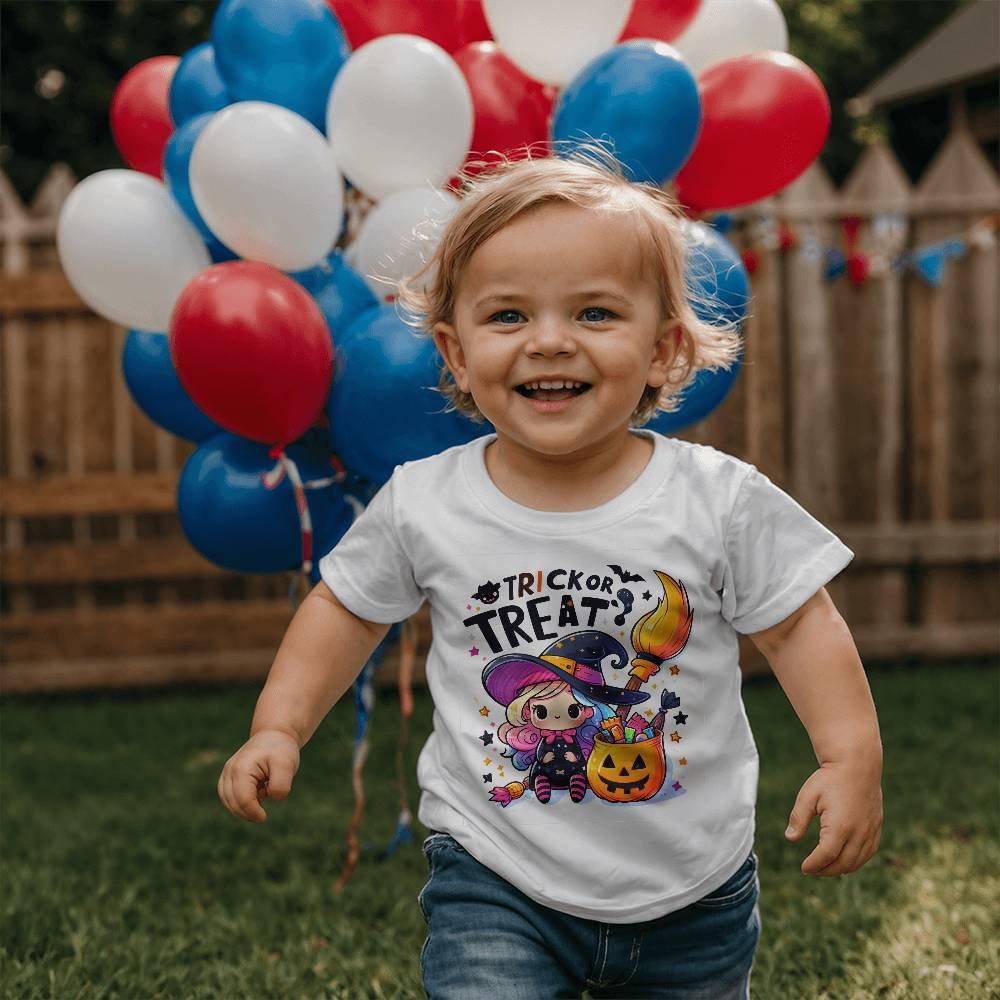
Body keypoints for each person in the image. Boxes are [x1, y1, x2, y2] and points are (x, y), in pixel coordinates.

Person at [218, 145, 884, 999]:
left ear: (664, 349)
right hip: (494, 872)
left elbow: (801, 626)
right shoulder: (424, 501)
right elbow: (344, 610)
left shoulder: (718, 499)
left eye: (596, 312)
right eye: (508, 316)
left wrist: (849, 754)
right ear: (456, 355)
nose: (549, 341)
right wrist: (279, 725)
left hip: (695, 885)